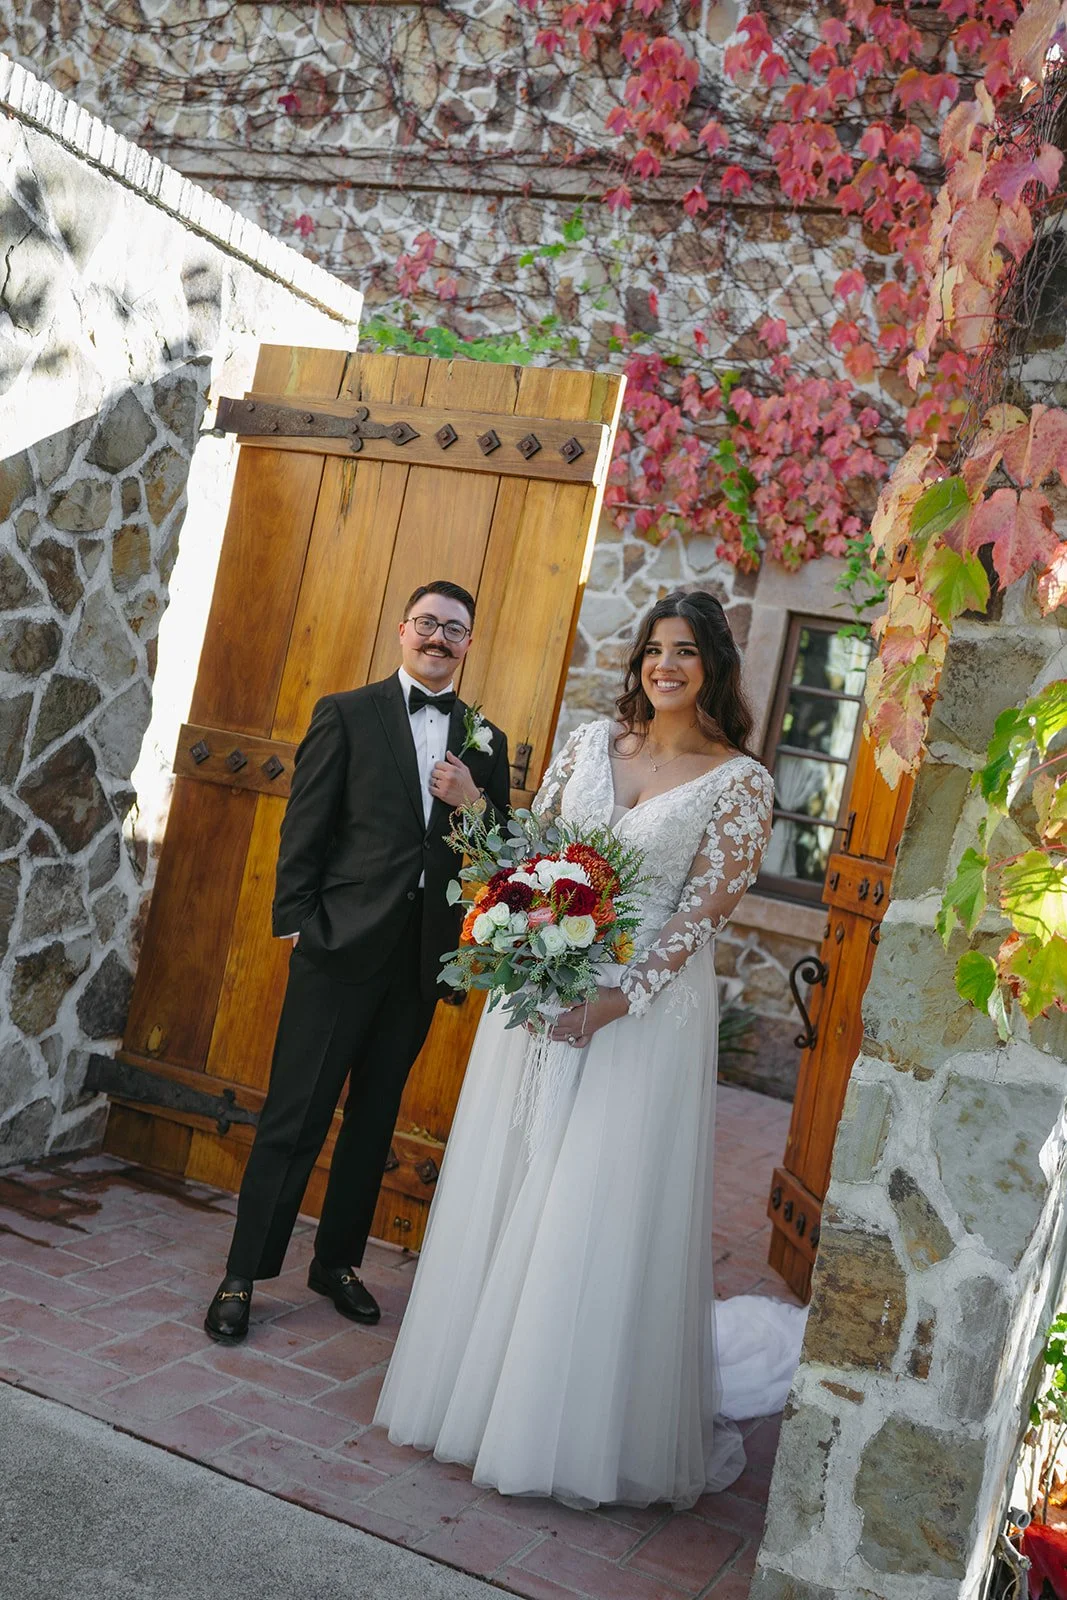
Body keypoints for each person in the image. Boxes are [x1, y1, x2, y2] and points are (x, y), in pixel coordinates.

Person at [374, 588, 806, 1509]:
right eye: (655, 648)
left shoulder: (740, 782)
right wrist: (515, 940)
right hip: (536, 997)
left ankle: (556, 1423)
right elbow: (533, 854)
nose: (667, 665)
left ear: (714, 667)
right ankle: (468, 1391)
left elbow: (703, 913)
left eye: (686, 651)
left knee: (590, 1201)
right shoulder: (586, 743)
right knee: (513, 1173)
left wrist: (616, 999)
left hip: (639, 1016)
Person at [204, 580, 511, 1343]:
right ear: (403, 631)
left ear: (470, 645)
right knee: (294, 1116)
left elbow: (497, 857)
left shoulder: (485, 739)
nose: (440, 638)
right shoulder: (345, 712)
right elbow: (305, 824)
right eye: (428, 624)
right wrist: (299, 927)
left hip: (419, 961)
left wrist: (474, 799)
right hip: (338, 947)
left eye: (455, 630)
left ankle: (336, 1263)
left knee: (373, 1121)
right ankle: (242, 1274)